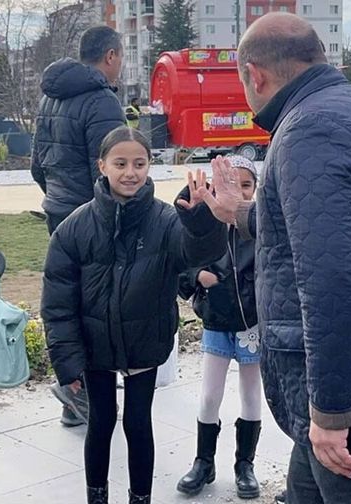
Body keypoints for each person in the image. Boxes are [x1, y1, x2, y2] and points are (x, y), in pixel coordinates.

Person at [197, 12, 351, 504]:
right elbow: (324, 230)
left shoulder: (308, 130)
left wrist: (331, 415)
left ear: (254, 74)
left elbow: (330, 282)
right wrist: (243, 214)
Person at [41, 126, 227, 504]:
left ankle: (140, 497)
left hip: (144, 341)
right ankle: (97, 496)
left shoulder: (165, 220)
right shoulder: (74, 228)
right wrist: (67, 359)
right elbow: (58, 301)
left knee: (138, 424)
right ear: (102, 166)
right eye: (121, 163)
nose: (130, 172)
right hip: (95, 346)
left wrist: (201, 222)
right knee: (101, 421)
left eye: (139, 163)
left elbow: (194, 255)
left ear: (149, 166)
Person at [30, 24, 126, 427]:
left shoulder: (51, 98)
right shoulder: (102, 101)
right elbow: (112, 172)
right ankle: (80, 391)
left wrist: (57, 198)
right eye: (120, 58)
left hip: (58, 210)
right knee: (98, 306)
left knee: (69, 299)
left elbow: (38, 164)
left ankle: (74, 399)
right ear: (110, 56)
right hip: (92, 217)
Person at [175, 155, 262, 500]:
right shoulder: (205, 223)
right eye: (232, 184)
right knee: (210, 395)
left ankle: (245, 464)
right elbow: (180, 259)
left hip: (251, 325)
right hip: (215, 321)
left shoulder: (260, 226)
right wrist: (196, 276)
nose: (239, 192)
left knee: (251, 395)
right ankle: (204, 461)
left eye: (247, 185)